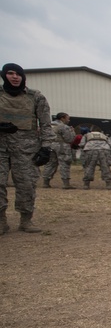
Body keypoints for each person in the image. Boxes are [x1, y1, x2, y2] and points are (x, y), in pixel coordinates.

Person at [0, 62, 54, 233]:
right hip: (1, 148)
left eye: (18, 74)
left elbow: (46, 124)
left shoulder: (35, 97)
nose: (15, 77)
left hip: (26, 149)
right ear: (4, 76)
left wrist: (46, 148)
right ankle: (1, 221)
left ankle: (26, 219)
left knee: (26, 184)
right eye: (10, 73)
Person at [43, 111, 76, 189]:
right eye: (68, 118)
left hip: (49, 145)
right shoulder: (64, 127)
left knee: (50, 164)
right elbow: (69, 139)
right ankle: (66, 184)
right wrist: (72, 131)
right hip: (61, 146)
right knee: (64, 163)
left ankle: (46, 182)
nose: (69, 120)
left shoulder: (48, 125)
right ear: (62, 118)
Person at [80, 125, 111, 189]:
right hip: (104, 150)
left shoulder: (86, 135)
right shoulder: (105, 136)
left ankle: (86, 184)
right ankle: (108, 184)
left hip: (90, 149)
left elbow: (82, 144)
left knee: (89, 166)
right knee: (105, 167)